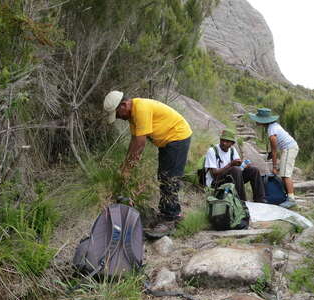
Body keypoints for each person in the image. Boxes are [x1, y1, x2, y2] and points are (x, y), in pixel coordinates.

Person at [103, 91, 192, 236]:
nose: (119, 118)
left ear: (124, 105)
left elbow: (140, 143)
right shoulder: (133, 115)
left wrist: (128, 169)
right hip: (167, 141)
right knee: (163, 176)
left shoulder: (141, 109)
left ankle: (171, 218)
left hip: (178, 137)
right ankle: (166, 213)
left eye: (118, 114)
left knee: (170, 178)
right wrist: (125, 165)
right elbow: (134, 140)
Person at [249, 108, 299, 209]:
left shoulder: (272, 131)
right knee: (284, 173)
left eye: (257, 119)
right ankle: (288, 196)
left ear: (262, 120)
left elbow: (275, 150)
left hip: (289, 149)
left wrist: (274, 166)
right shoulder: (272, 127)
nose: (256, 121)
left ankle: (291, 199)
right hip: (289, 148)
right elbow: (274, 150)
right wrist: (271, 153)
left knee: (285, 174)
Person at [204, 129, 265, 203]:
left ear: (232, 143)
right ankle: (242, 201)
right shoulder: (212, 151)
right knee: (235, 169)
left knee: (254, 170)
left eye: (227, 141)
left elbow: (239, 169)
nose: (224, 143)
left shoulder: (232, 150)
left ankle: (260, 200)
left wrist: (244, 166)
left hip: (231, 178)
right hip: (216, 182)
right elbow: (214, 174)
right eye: (222, 140)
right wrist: (230, 164)